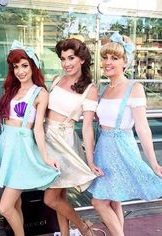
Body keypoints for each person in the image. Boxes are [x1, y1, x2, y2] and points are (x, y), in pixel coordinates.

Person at [88, 32, 162, 236]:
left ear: (125, 62)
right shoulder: (104, 89)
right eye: (105, 57)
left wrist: (153, 163)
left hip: (122, 148)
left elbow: (143, 128)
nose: (108, 62)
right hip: (104, 148)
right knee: (113, 201)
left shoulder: (134, 88)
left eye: (114, 58)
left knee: (98, 201)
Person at [0, 40, 60, 236]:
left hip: (22, 150)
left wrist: (46, 157)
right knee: (15, 203)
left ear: (33, 66)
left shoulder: (40, 93)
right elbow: (2, 118)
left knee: (4, 208)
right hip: (6, 145)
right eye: (16, 66)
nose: (20, 71)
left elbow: (38, 129)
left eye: (24, 65)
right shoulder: (11, 90)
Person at [43, 38, 104, 236]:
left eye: (71, 58)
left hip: (64, 143)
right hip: (46, 139)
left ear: (82, 60)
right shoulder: (56, 80)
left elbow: (87, 128)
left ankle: (83, 227)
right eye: (63, 59)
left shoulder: (90, 89)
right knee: (60, 195)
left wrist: (90, 159)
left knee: (50, 199)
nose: (66, 63)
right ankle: (65, 233)